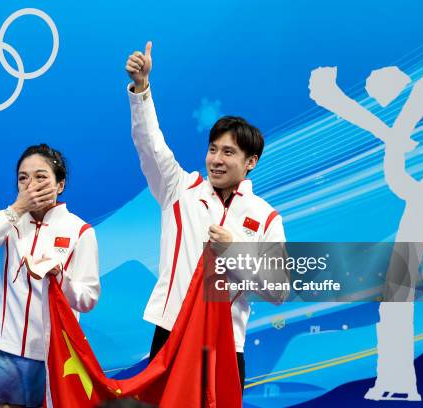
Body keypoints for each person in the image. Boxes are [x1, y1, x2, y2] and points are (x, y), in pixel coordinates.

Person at [125, 42, 287, 391]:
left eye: (228, 152)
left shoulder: (266, 217)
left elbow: (278, 290)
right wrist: (141, 89)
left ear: (250, 162)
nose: (216, 159)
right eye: (213, 149)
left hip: (226, 344)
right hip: (171, 333)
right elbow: (150, 143)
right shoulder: (178, 190)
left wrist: (235, 248)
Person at [0, 144, 100, 408]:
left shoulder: (80, 231)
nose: (30, 185)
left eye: (41, 177)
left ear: (59, 185)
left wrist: (59, 276)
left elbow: (88, 300)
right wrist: (16, 209)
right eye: (23, 178)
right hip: (10, 349)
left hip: (55, 353)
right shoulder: (9, 221)